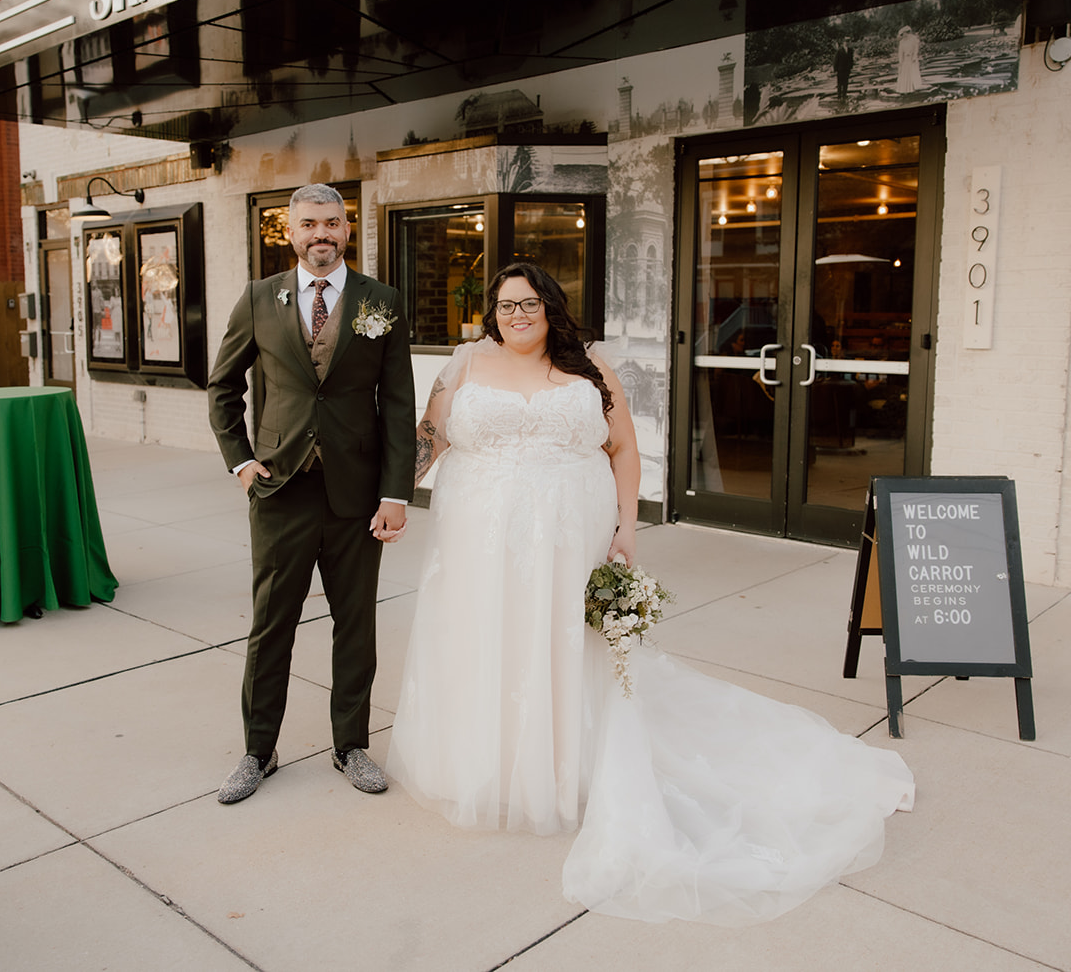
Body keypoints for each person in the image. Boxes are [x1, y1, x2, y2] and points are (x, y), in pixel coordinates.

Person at [386, 262, 915, 925]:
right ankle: (495, 764)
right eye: (504, 305)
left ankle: (563, 765)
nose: (516, 315)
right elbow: (427, 441)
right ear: (491, 312)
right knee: (488, 637)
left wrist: (627, 529)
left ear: (551, 307)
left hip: (569, 537)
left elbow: (625, 447)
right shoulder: (464, 366)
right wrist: (390, 496)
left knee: (566, 646)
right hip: (478, 540)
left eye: (529, 303)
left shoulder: (589, 367)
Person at [208, 183, 416, 803]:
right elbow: (222, 388)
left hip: (357, 494)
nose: (320, 233)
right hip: (280, 490)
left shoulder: (382, 301)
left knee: (356, 624)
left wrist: (396, 493)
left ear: (347, 229)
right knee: (271, 625)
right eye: (308, 224)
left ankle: (351, 745)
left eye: (331, 222)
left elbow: (398, 404)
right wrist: (241, 462)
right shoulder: (257, 299)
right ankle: (258, 750)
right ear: (290, 231)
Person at [894, 25, 923, 94]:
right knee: (905, 73)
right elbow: (900, 53)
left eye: (903, 34)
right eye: (901, 35)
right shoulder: (902, 42)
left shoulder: (913, 39)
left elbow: (916, 49)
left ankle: (914, 87)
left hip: (912, 58)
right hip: (905, 60)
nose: (903, 36)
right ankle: (906, 89)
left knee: (913, 72)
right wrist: (901, 61)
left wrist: (914, 56)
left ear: (906, 33)